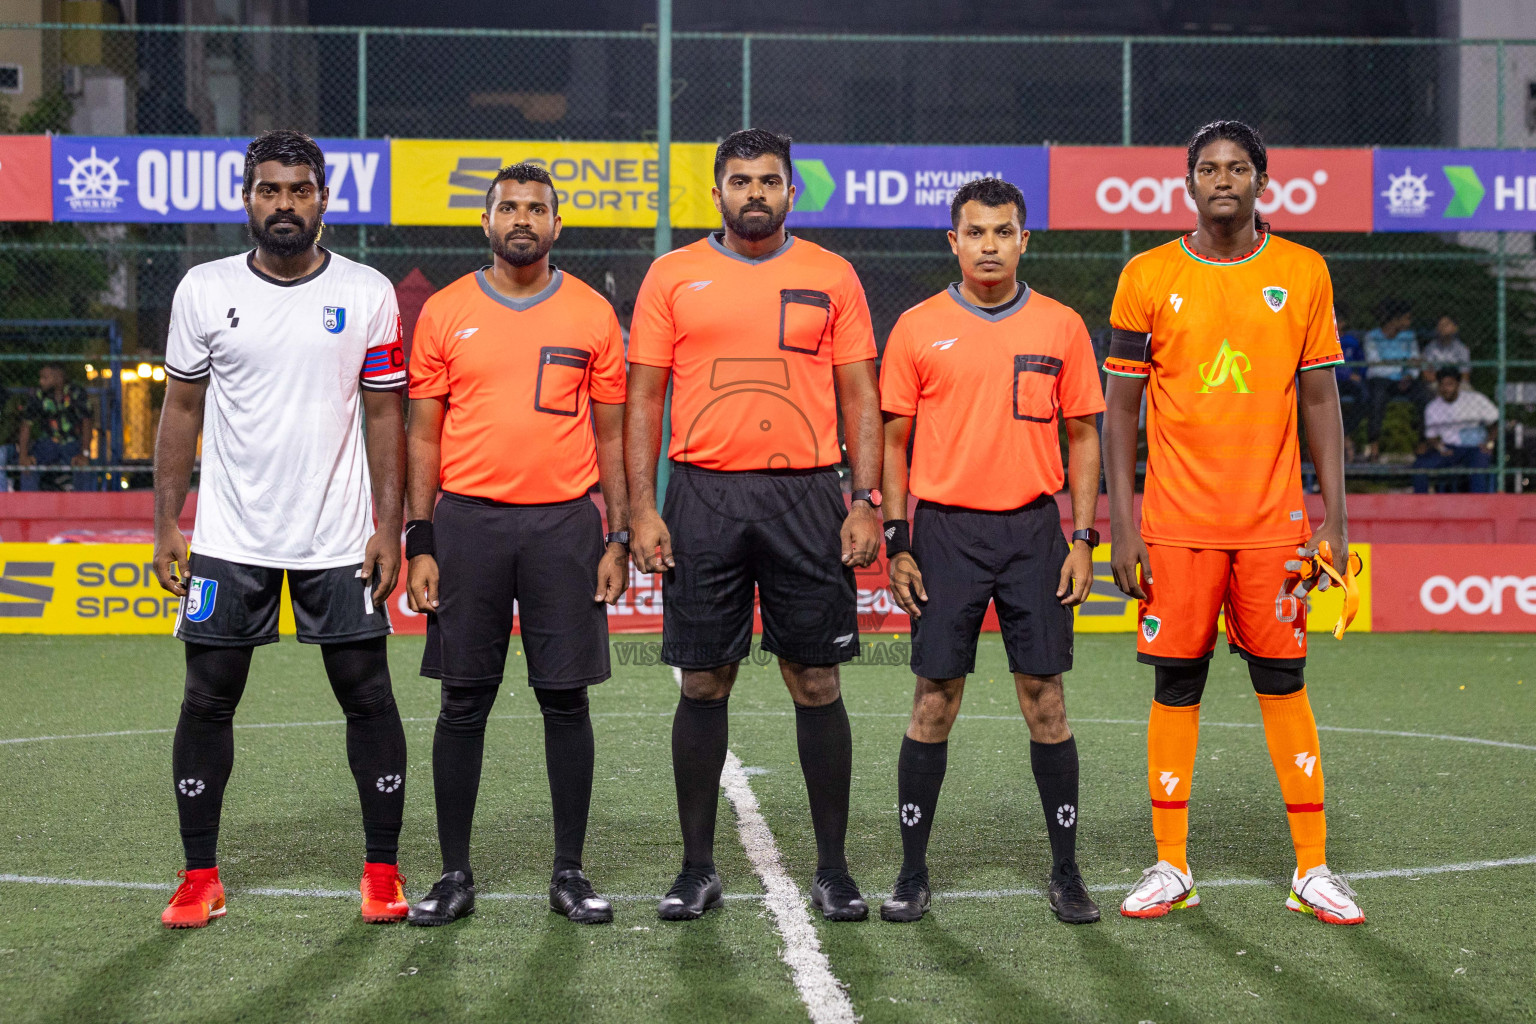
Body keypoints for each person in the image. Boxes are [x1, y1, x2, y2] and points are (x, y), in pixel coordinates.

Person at [1102, 120, 1364, 926]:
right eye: (1209, 168)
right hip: (1176, 526)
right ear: (1188, 183)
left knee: (1282, 680)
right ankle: (1171, 864)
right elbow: (1120, 410)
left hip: (1275, 526)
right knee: (1177, 681)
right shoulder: (1146, 275)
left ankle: (1312, 870)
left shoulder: (1303, 271)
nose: (1224, 179)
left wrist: (1335, 521)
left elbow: (1320, 398)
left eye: (1239, 168)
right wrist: (1125, 524)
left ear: (1261, 181)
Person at [151, 129, 410, 929]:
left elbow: (384, 415)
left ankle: (381, 872)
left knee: (367, 696)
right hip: (231, 539)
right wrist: (167, 522)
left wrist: (388, 526)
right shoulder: (202, 288)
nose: (285, 204)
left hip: (339, 538)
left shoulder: (368, 292)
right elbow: (181, 410)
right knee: (207, 698)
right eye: (270, 190)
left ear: (323, 200)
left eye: (299, 190)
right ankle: (200, 876)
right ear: (248, 200)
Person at [626, 129, 883, 922]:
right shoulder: (673, 276)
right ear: (717, 193)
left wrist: (867, 499)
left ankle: (834, 871)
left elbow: (860, 398)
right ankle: (697, 869)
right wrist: (641, 506)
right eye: (741, 180)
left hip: (808, 497)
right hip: (702, 495)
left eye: (769, 180)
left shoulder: (832, 275)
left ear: (790, 192)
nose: (755, 193)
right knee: (704, 679)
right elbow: (641, 401)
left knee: (817, 679)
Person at [402, 163, 629, 927]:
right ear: (487, 220)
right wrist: (420, 539)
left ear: (558, 225)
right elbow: (422, 436)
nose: (521, 218)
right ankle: (454, 873)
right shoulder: (444, 312)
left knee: (564, 699)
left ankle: (569, 871)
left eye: (536, 208)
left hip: (566, 523)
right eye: (508, 207)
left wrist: (619, 534)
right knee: (462, 699)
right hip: (468, 523)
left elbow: (613, 434)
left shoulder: (594, 314)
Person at [876, 178, 1104, 925]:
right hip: (944, 534)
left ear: (1024, 239)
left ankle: (1067, 872)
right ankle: (912, 873)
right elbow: (894, 442)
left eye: (1003, 232)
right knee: (934, 699)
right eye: (975, 233)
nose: (989, 246)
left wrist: (1082, 536)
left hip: (1035, 533)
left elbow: (1082, 436)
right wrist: (897, 539)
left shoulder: (1063, 326)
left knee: (1046, 700)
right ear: (953, 241)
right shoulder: (915, 328)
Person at [1413, 367, 1499, 493]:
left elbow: (1496, 422)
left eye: (1450, 384)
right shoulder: (1432, 407)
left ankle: (1479, 507)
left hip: (1475, 448)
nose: (1445, 389)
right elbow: (1431, 437)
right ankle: (1421, 506)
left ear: (1458, 385)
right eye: (1442, 385)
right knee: (1419, 466)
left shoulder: (1475, 399)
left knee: (1478, 468)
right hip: (1450, 449)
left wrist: (1489, 443)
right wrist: (1439, 447)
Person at [18, 362, 95, 492]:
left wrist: (84, 453)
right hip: (47, 445)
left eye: (45, 378)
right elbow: (26, 424)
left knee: (84, 468)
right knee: (28, 468)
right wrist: (23, 456)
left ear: (59, 377)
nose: (41, 381)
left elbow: (87, 423)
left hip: (72, 445)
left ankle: (84, 509)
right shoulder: (38, 395)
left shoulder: (76, 393)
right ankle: (29, 510)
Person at [1362, 299, 1422, 460]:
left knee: (1425, 397)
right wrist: (1402, 366)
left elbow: (1415, 361)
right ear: (1395, 319)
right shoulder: (1372, 337)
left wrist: (1408, 375)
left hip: (1406, 379)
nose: (1409, 323)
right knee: (1377, 398)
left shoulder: (1409, 337)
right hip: (1382, 380)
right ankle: (1373, 446)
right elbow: (1375, 365)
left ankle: (1423, 444)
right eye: (1407, 318)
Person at [1333, 310, 1367, 456]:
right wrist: (1347, 374)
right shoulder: (1324, 340)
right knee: (1332, 402)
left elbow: (1362, 363)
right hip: (1332, 380)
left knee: (1364, 396)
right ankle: (1340, 438)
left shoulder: (1351, 342)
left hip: (1351, 382)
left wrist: (1360, 375)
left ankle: (1345, 434)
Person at [1420, 315, 1472, 385]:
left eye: (1446, 324)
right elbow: (1426, 374)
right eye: (1440, 324)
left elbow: (1465, 376)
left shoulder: (1462, 349)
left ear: (1455, 328)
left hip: (1457, 385)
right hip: (1436, 383)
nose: (1442, 327)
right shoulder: (1430, 348)